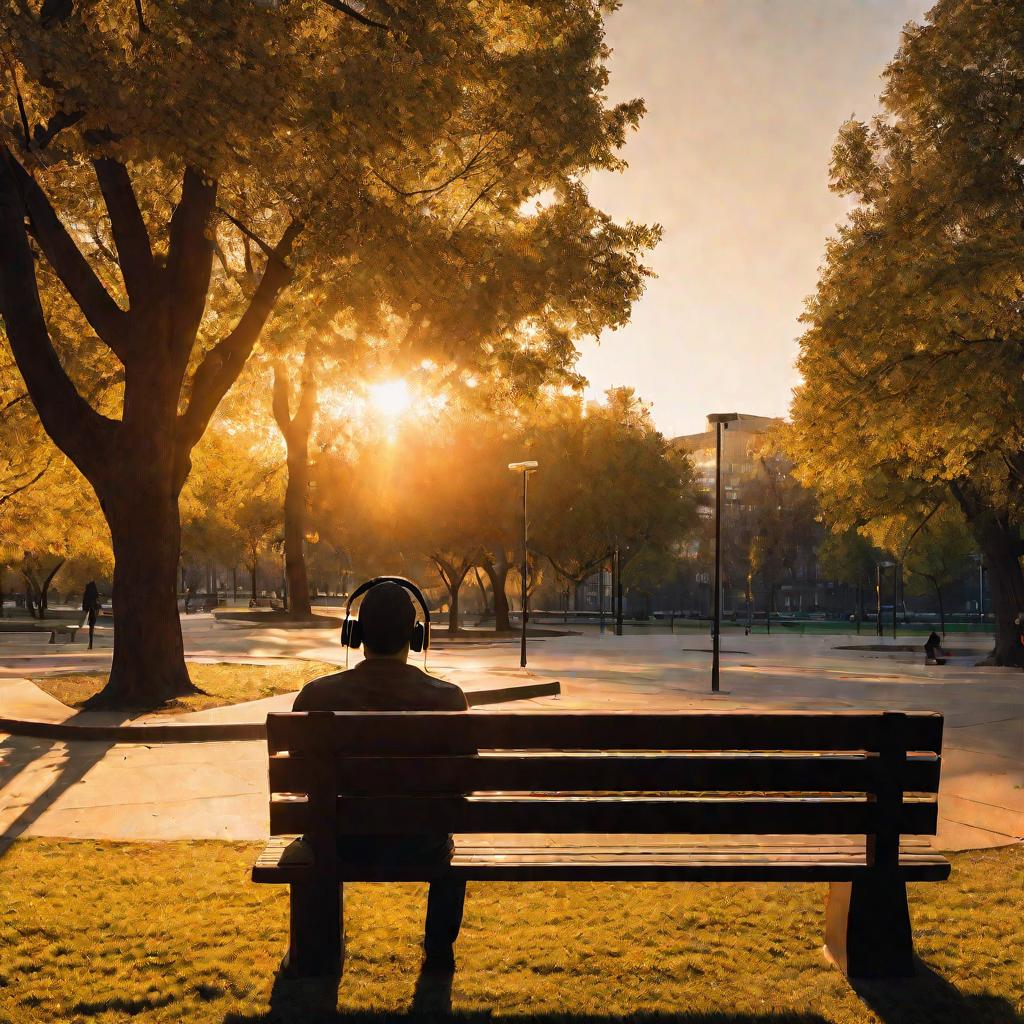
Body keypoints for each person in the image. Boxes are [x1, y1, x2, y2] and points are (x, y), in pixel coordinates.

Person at [292, 580, 471, 972]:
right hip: (422, 844)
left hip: (338, 843)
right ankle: (439, 951)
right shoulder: (449, 699)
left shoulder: (314, 697)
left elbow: (300, 777)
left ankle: (314, 952)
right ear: (417, 637)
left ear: (354, 635)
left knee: (309, 838)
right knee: (449, 842)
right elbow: (464, 780)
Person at [80, 581, 101, 650]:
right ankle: (90, 643)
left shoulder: (87, 593)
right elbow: (99, 605)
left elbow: (84, 605)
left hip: (89, 612)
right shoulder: (95, 594)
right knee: (91, 627)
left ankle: (90, 644)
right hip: (93, 613)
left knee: (91, 627)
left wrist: (85, 610)